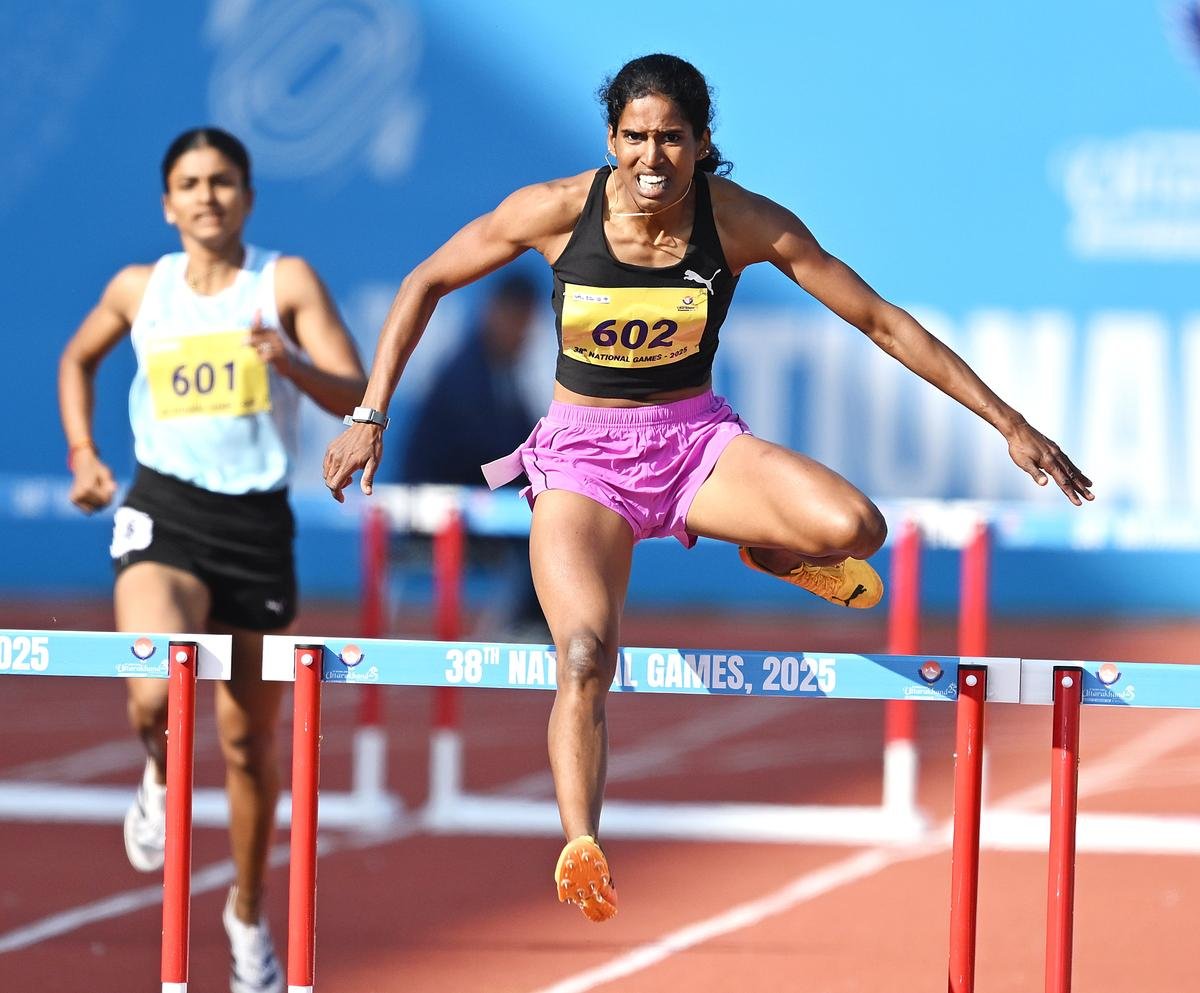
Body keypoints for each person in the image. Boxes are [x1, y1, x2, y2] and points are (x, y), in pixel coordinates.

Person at [322, 54, 1093, 923]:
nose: (652, 159)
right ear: (611, 140)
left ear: (702, 144)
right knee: (582, 654)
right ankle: (583, 843)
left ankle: (771, 548)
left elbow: (880, 320)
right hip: (582, 461)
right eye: (636, 139)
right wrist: (369, 412)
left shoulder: (740, 222)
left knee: (855, 524)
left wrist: (1008, 422)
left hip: (694, 446)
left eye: (672, 140)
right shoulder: (552, 212)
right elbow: (426, 280)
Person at [58, 127, 367, 990]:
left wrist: (290, 361)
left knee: (246, 744)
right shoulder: (138, 288)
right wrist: (85, 454)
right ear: (168, 203)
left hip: (256, 528)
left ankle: (246, 915)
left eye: (223, 181)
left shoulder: (285, 281)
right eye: (190, 183)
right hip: (164, 509)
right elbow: (77, 360)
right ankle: (159, 769)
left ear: (248, 197)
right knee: (157, 687)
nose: (207, 196)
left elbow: (358, 389)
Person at [397, 271, 546, 637]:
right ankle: (525, 623)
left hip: (475, 500)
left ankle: (530, 620)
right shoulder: (465, 375)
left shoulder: (504, 373)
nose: (523, 334)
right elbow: (486, 456)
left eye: (529, 324)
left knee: (553, 510)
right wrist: (536, 470)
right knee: (546, 521)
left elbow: (523, 442)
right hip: (436, 509)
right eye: (518, 321)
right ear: (495, 313)